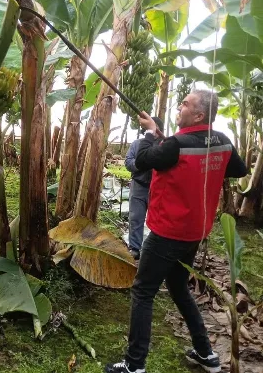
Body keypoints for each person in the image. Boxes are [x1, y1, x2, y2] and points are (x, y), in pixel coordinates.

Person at [106, 90, 247, 373]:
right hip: (195, 232)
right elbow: (240, 169)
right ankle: (206, 353)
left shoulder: (176, 144)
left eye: (185, 104)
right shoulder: (222, 142)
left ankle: (135, 365)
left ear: (198, 115)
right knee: (178, 287)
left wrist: (149, 135)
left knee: (143, 291)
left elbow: (143, 161)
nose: (180, 107)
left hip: (167, 232)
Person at [124, 116, 164, 260]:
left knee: (158, 220)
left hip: (158, 188)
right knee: (136, 218)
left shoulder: (164, 145)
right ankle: (135, 248)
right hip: (139, 186)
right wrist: (142, 164)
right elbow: (128, 162)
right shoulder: (137, 144)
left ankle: (155, 250)